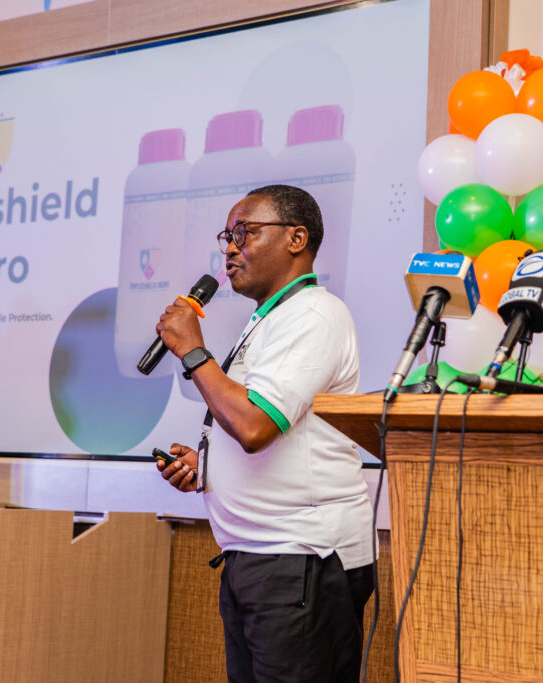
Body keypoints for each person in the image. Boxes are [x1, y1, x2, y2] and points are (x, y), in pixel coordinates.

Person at [155, 184, 375, 682]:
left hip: (301, 558)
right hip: (260, 556)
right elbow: (260, 424)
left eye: (245, 233)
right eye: (227, 237)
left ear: (296, 238)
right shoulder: (271, 318)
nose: (230, 249)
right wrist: (205, 466)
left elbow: (255, 427)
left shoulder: (313, 315)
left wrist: (192, 350)